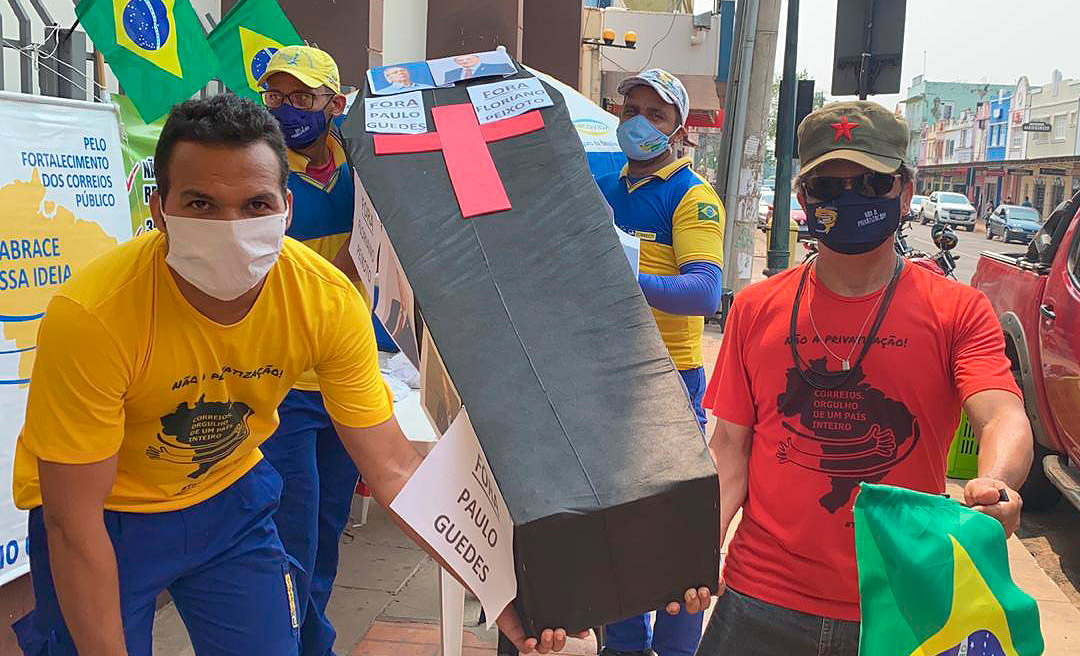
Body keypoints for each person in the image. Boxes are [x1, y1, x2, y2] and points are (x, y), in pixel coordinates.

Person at [9, 93, 595, 656]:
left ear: (286, 209)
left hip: (228, 503)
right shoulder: (96, 317)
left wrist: (500, 591)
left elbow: (392, 467)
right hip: (109, 521)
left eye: (256, 205)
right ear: (159, 210)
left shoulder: (323, 299)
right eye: (201, 204)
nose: (230, 226)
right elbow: (73, 520)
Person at [697, 101, 1033, 655]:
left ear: (905, 192)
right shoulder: (756, 308)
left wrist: (997, 483)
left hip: (902, 602)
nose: (849, 200)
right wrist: (695, 545)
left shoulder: (957, 311)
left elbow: (1001, 413)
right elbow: (730, 447)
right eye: (829, 186)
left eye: (872, 183)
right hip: (762, 598)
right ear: (804, 197)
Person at [594, 68, 725, 656]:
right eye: (630, 111)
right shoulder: (603, 185)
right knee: (618, 527)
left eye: (656, 114)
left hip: (668, 379)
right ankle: (623, 644)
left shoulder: (693, 197)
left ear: (678, 129)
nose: (640, 123)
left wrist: (631, 277)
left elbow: (703, 293)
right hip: (607, 373)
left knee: (672, 533)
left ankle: (675, 649)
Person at [256, 45, 367, 656]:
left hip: (350, 378)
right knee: (290, 529)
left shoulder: (366, 167)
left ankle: (307, 633)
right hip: (286, 384)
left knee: (327, 529)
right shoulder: (266, 174)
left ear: (335, 104)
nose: (286, 109)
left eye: (302, 97)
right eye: (276, 96)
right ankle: (295, 640)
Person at [441, 53, 516, 84]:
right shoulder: (450, 74)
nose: (465, 61)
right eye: (460, 60)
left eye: (469, 59)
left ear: (478, 59)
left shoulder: (497, 67)